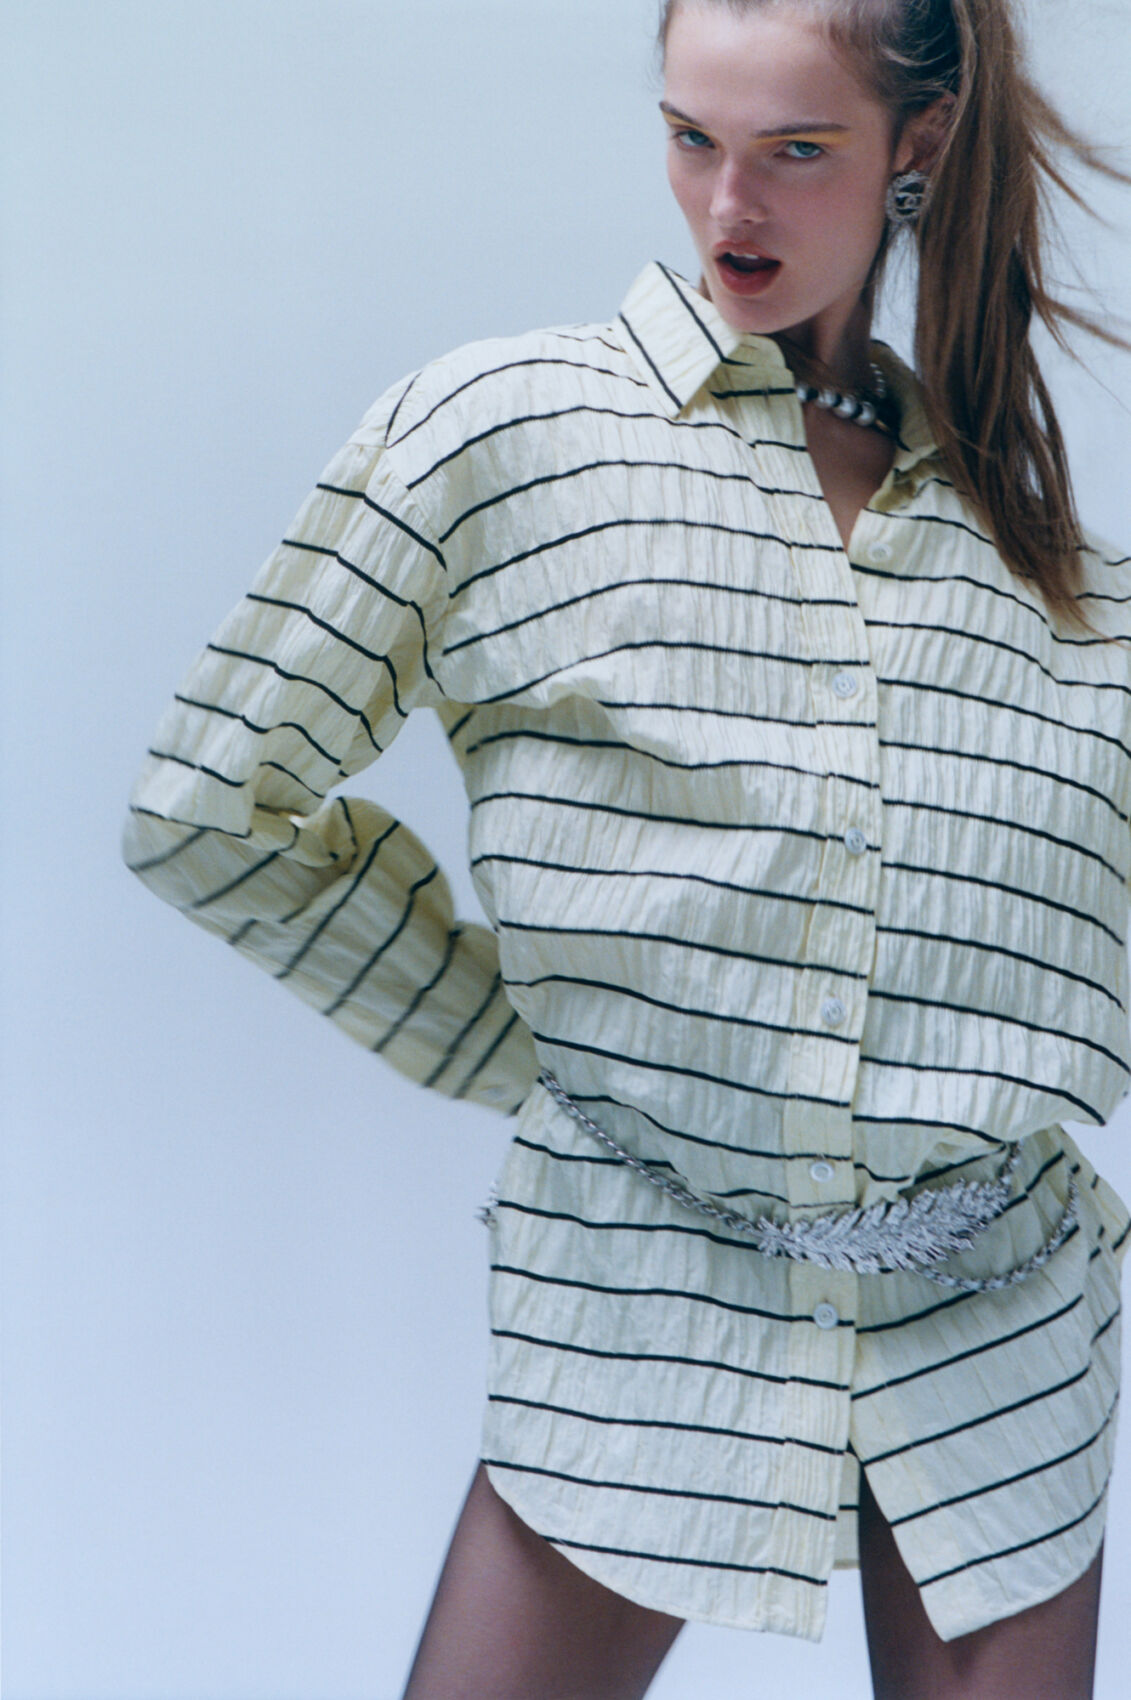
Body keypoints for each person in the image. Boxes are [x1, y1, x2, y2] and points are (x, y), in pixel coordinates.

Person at [123, 1, 1130, 1695]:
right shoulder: (500, 433)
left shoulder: (1044, 568)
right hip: (638, 1307)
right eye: (690, 138)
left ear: (920, 146)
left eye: (795, 150)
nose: (731, 204)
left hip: (1003, 1337)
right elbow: (211, 806)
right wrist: (521, 1049)